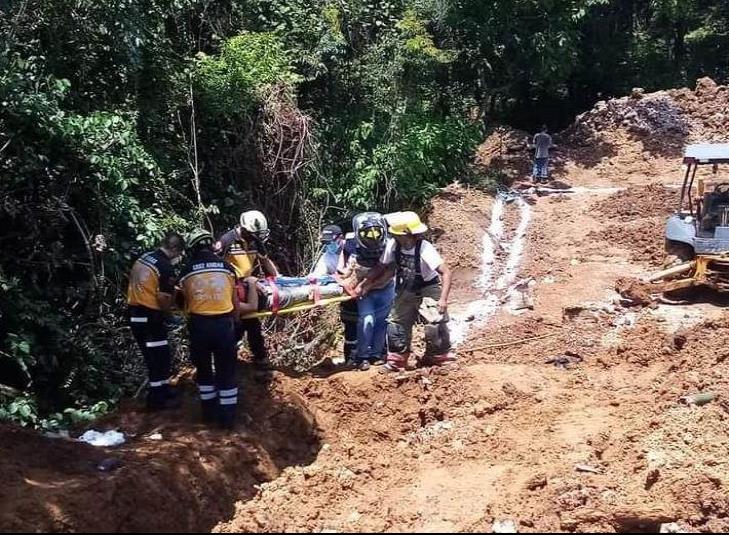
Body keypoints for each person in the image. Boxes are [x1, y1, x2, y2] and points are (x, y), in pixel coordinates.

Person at [180, 229, 259, 429]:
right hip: (224, 325)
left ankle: (208, 414)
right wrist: (236, 324)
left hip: (199, 326)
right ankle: (228, 418)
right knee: (227, 371)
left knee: (204, 370)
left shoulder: (187, 270)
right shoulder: (226, 268)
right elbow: (234, 303)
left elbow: (182, 301)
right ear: (209, 245)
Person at [358, 211, 455, 372]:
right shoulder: (393, 245)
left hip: (427, 287)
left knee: (435, 322)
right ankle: (397, 361)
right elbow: (381, 266)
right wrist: (366, 283)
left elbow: (446, 272)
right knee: (396, 323)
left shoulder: (425, 248)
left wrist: (443, 299)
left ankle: (439, 358)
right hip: (405, 287)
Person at [127, 232, 185, 411]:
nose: (178, 257)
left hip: (134, 312)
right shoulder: (165, 267)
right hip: (150, 316)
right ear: (174, 249)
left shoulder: (145, 257)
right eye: (179, 253)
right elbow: (163, 298)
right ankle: (157, 400)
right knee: (158, 357)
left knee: (158, 355)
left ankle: (164, 389)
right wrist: (169, 315)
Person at [214, 210, 278, 369]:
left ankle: (256, 357)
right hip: (231, 288)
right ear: (244, 229)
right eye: (252, 233)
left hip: (248, 287)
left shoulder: (255, 241)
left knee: (251, 322)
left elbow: (266, 261)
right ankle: (233, 359)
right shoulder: (227, 240)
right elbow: (215, 264)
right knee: (240, 323)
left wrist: (279, 279)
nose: (254, 236)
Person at [340, 213, 395, 371]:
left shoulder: (390, 244)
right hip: (364, 291)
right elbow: (348, 269)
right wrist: (345, 283)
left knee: (382, 322)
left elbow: (389, 271)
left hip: (384, 287)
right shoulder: (351, 244)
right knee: (367, 321)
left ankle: (376, 355)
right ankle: (362, 357)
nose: (372, 236)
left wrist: (366, 285)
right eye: (367, 233)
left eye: (376, 232)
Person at [310, 225, 358, 361]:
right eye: (325, 243)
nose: (328, 245)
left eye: (329, 242)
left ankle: (372, 356)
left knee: (368, 324)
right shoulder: (327, 256)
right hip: (348, 297)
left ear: (340, 238)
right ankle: (351, 359)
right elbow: (316, 276)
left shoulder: (351, 248)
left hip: (363, 291)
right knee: (350, 325)